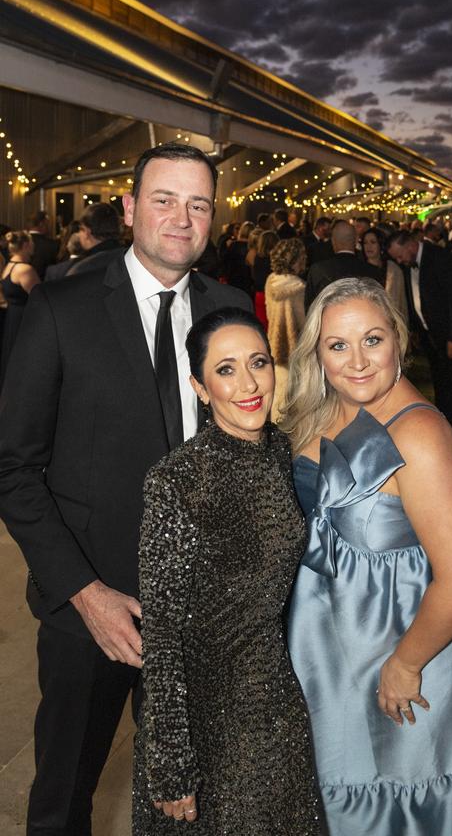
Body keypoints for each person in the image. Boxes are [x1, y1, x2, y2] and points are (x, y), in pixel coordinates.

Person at [0, 142, 251, 836]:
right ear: (131, 208)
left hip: (203, 614)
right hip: (91, 609)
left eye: (198, 204)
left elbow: (249, 451)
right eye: (164, 200)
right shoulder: (60, 307)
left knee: (190, 801)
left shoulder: (231, 310)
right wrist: (85, 594)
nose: (181, 218)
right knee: (64, 797)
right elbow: (13, 467)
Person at [282, 277, 452, 834]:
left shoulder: (420, 434)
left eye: (373, 339)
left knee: (400, 805)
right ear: (316, 351)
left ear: (399, 339)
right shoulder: (317, 415)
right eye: (338, 345)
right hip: (326, 654)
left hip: (400, 659)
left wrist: (405, 664)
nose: (357, 361)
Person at [133, 307, 321, 835]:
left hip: (273, 701)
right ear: (199, 386)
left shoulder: (281, 451)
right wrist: (170, 760)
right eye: (226, 369)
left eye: (258, 362)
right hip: (200, 713)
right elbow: (163, 630)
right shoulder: (178, 480)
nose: (248, 383)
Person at [387, 228, 452, 437]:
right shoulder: (408, 265)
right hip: (434, 339)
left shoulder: (440, 257)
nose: (400, 261)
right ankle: (444, 429)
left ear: (411, 245)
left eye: (400, 255)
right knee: (442, 387)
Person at [265, 238, 307, 421]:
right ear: (295, 259)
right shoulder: (298, 286)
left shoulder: (271, 280)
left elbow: (268, 311)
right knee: (294, 398)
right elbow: (304, 320)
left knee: (278, 393)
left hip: (274, 342)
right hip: (295, 346)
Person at [304, 220, 381, 311]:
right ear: (356, 240)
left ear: (333, 241)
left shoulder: (317, 270)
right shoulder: (372, 271)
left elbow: (309, 307)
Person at [0, 230, 40, 386]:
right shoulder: (24, 270)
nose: (34, 247)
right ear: (25, 245)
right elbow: (40, 299)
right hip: (23, 319)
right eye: (32, 244)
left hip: (12, 316)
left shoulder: (9, 265)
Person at [361, 226, 408, 319]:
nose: (368, 246)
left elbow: (401, 302)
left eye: (373, 242)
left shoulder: (393, 269)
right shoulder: (359, 269)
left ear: (380, 244)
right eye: (365, 243)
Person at [66, 201, 123, 276]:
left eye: (80, 229)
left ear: (87, 232)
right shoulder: (133, 260)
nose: (79, 234)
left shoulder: (81, 271)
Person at [27, 210, 59, 280]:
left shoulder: (20, 242)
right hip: (44, 285)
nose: (49, 226)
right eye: (48, 223)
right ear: (41, 224)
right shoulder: (52, 245)